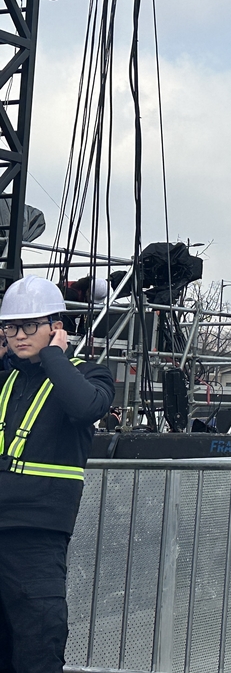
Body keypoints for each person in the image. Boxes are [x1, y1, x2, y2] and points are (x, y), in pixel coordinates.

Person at [0, 275, 114, 672]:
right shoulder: (6, 379)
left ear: (56, 327)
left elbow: (85, 409)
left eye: (30, 325)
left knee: (38, 643)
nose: (18, 335)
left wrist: (55, 357)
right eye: (11, 326)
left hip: (36, 536)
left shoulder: (90, 375)